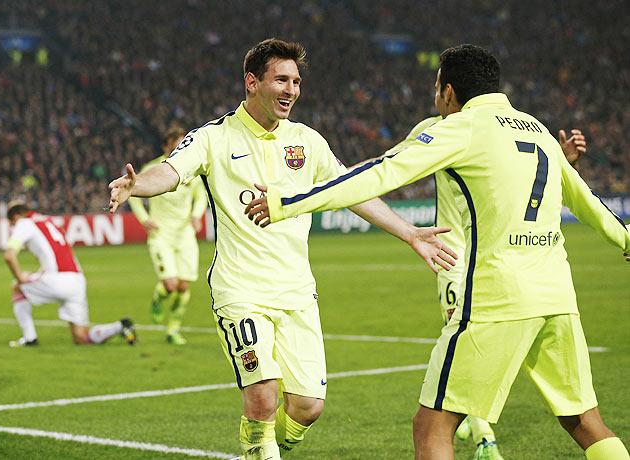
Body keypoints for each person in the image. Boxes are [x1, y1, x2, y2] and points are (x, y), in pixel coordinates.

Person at [245, 44, 630, 460]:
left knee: (432, 426)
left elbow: (381, 172)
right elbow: (587, 200)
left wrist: (289, 201)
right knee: (585, 421)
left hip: (497, 296)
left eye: (435, 88)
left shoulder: (460, 128)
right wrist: (626, 240)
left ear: (449, 91)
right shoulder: (536, 129)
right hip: (558, 296)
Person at [108, 38, 457, 460]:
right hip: (240, 289)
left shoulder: (307, 140)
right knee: (262, 395)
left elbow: (353, 190)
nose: (291, 90)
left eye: (296, 81)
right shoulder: (214, 137)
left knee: (308, 408)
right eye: (281, 80)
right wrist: (135, 186)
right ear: (252, 82)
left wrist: (410, 232)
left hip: (296, 291)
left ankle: (263, 450)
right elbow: (169, 172)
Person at [394, 117, 587, 460]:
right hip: (454, 255)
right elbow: (393, 163)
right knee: (468, 345)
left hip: (493, 259)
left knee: (470, 350)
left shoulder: (494, 128)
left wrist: (561, 161)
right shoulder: (436, 129)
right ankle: (484, 437)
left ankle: (478, 432)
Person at [4, 200, 137, 347]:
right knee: (82, 337)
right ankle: (120, 326)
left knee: (17, 287)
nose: (12, 227)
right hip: (77, 281)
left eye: (11, 223)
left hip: (57, 280)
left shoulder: (25, 223)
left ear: (16, 216)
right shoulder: (50, 221)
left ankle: (30, 339)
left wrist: (20, 278)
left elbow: (9, 256)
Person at [128, 126, 208, 345]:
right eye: (176, 145)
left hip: (185, 234)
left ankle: (173, 330)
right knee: (170, 285)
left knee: (183, 286)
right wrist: (145, 219)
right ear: (166, 145)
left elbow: (200, 196)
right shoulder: (152, 168)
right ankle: (158, 298)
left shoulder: (191, 168)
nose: (181, 149)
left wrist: (196, 215)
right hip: (161, 234)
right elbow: (134, 195)